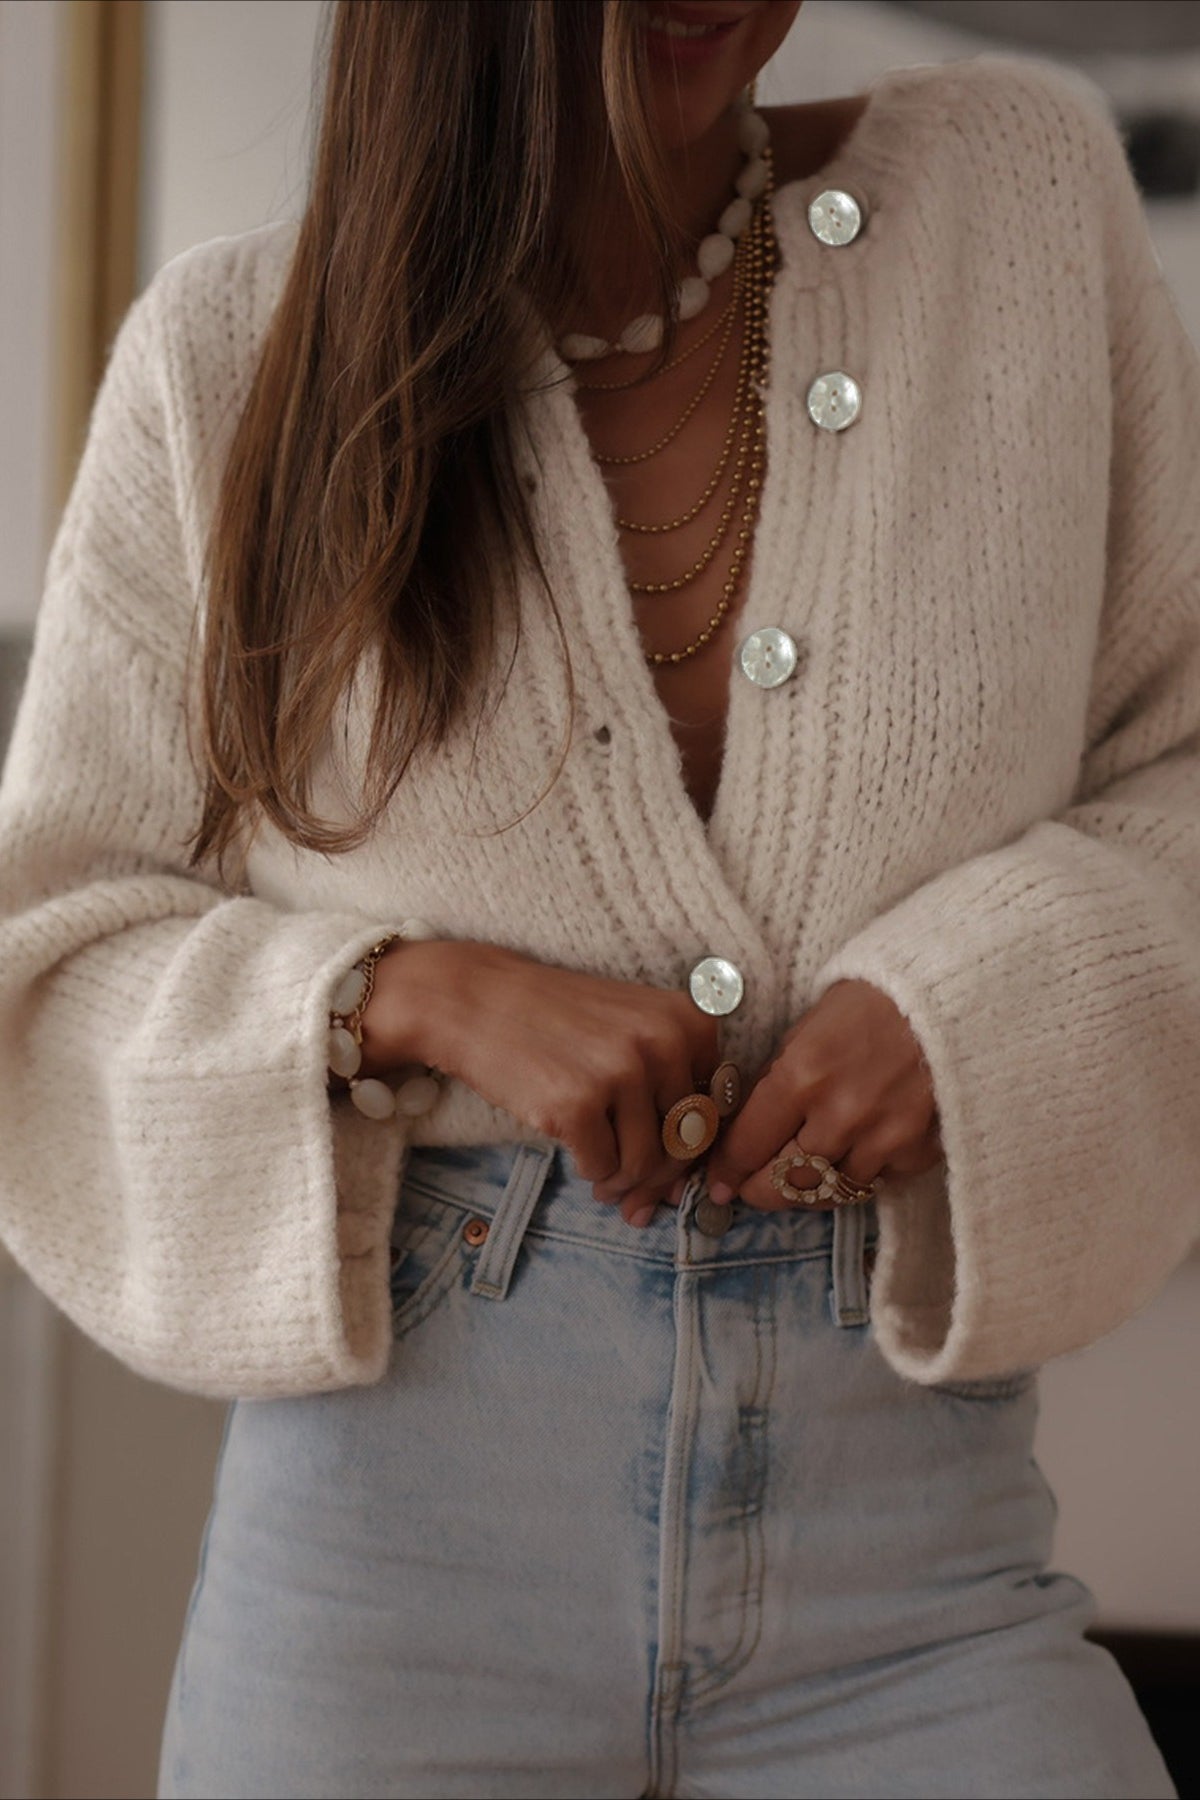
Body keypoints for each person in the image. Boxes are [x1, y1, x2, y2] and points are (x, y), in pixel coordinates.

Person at [0, 0, 1195, 1793]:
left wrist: (988, 985)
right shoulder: (232, 362)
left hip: (915, 1563)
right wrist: (403, 993)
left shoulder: (1010, 206)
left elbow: (1183, 761)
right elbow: (53, 947)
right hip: (394, 1566)